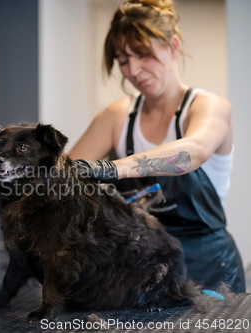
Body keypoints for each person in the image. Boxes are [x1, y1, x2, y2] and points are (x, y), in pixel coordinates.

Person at [69, 0, 245, 292]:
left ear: (173, 46)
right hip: (145, 264)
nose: (133, 70)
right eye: (123, 61)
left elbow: (193, 151)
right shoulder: (116, 117)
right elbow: (63, 176)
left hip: (209, 267)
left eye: (142, 55)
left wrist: (112, 169)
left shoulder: (208, 106)